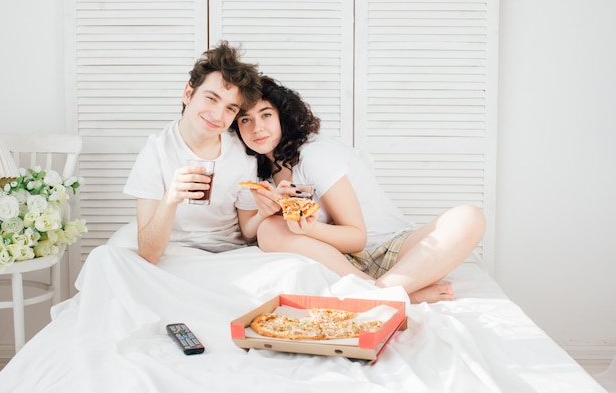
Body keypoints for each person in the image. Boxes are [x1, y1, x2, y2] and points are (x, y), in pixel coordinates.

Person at [232, 76, 486, 303]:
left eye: (266, 114)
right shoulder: (253, 168)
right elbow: (248, 232)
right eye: (245, 119)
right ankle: (394, 294)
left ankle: (377, 293)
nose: (257, 128)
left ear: (282, 117)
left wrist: (309, 227)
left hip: (391, 250)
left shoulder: (315, 154)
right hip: (338, 263)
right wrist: (267, 213)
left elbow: (357, 238)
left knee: (470, 216)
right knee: (267, 229)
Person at [123, 41, 269, 264]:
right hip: (173, 253)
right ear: (188, 93)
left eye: (231, 108)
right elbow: (149, 252)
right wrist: (171, 198)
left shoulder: (242, 153)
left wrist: (265, 211)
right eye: (211, 98)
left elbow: (248, 233)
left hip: (228, 255)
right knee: (102, 259)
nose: (218, 115)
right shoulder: (157, 151)